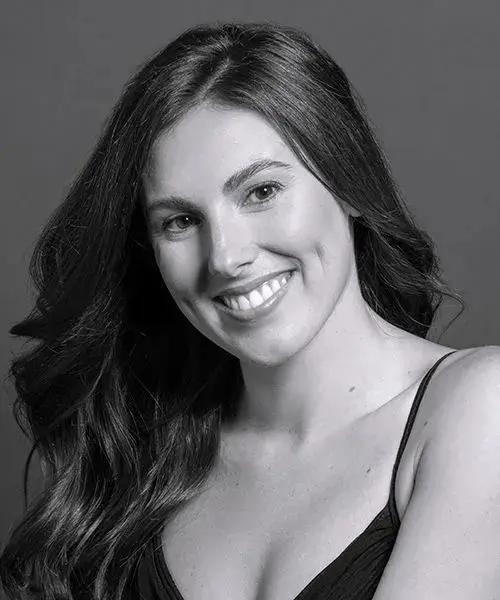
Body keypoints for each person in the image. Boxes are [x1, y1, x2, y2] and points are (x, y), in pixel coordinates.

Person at [1, 21, 499, 600]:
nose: (225, 256)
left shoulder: (478, 409)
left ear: (348, 183)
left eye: (261, 192)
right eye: (180, 221)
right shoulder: (140, 463)